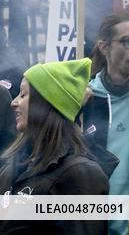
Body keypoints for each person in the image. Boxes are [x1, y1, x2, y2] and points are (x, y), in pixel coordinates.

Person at [0, 58, 109, 235]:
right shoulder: (13, 164)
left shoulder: (81, 174)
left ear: (45, 103)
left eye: (23, 94)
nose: (13, 103)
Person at [80, 11, 129, 235]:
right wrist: (72, 111)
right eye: (128, 41)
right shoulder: (86, 97)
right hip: (98, 222)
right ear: (104, 47)